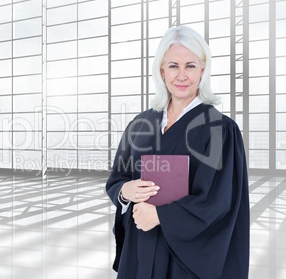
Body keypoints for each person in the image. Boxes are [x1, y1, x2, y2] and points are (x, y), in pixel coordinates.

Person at [105, 25, 249, 279]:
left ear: (203, 70)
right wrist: (124, 192)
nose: (181, 75)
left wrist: (161, 215)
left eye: (190, 66)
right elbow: (117, 179)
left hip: (183, 260)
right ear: (161, 70)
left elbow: (219, 201)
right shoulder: (140, 125)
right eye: (173, 66)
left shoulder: (219, 129)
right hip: (139, 250)